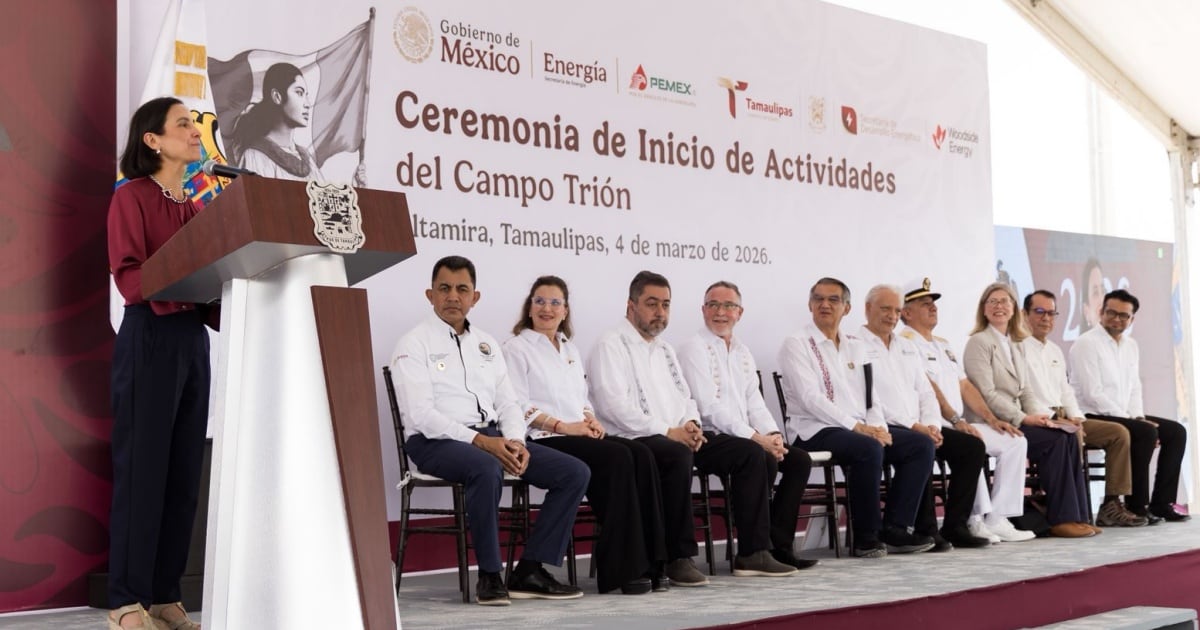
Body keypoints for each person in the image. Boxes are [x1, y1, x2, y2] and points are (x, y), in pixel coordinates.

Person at [391, 256, 589, 605]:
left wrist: (514, 440)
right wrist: (483, 442)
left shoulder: (486, 344)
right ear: (430, 294)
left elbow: (508, 402)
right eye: (445, 289)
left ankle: (529, 570)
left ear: (475, 297)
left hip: (492, 435)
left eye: (462, 289)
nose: (453, 296)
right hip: (434, 441)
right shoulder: (413, 343)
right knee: (486, 466)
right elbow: (422, 415)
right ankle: (489, 575)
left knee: (573, 472)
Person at [588, 271, 797, 585]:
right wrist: (670, 431)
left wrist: (691, 424)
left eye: (666, 305)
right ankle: (678, 556)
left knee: (752, 454)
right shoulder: (611, 344)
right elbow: (612, 406)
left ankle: (754, 551)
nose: (660, 312)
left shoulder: (664, 349)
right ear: (631, 306)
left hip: (676, 434)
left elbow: (685, 397)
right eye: (652, 304)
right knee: (676, 454)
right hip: (633, 437)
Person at [107, 97, 210, 630]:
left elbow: (207, 283)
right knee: (142, 473)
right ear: (153, 139)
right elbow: (129, 277)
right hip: (150, 336)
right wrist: (193, 282)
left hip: (192, 340)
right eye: (184, 124)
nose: (196, 132)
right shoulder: (132, 198)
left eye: (194, 124)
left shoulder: (194, 206)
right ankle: (126, 601)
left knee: (183, 474)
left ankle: (166, 594)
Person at [503, 275, 666, 595]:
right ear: (529, 307)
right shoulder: (516, 348)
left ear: (565, 311)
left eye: (554, 303)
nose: (546, 309)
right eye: (540, 301)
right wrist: (563, 426)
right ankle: (622, 569)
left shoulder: (569, 349)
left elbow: (581, 398)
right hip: (543, 438)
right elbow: (516, 404)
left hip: (576, 433)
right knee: (617, 457)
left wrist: (590, 419)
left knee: (641, 454)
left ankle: (653, 561)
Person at [777, 277, 935, 558]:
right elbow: (810, 400)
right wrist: (859, 428)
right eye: (819, 299)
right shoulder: (797, 344)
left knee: (920, 445)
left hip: (858, 428)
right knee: (867, 448)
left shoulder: (854, 345)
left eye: (833, 300)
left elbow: (871, 397)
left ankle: (897, 527)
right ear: (810, 305)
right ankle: (866, 536)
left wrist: (879, 427)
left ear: (847, 308)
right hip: (815, 429)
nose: (825, 305)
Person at [677, 281, 818, 570]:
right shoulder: (694, 348)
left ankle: (778, 545)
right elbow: (708, 407)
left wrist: (773, 435)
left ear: (739, 313)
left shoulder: (742, 351)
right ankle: (751, 553)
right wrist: (756, 438)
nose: (720, 312)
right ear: (703, 310)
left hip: (743, 438)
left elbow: (754, 402)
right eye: (713, 305)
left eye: (728, 306)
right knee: (755, 455)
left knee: (798, 460)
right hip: (706, 438)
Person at [898, 279, 1034, 543]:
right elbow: (930, 388)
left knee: (1015, 440)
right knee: (972, 444)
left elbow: (965, 386)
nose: (932, 308)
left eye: (933, 303)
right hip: (931, 424)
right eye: (924, 304)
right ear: (906, 312)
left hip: (955, 422)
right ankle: (974, 519)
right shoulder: (905, 343)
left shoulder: (942, 343)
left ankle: (999, 518)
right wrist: (957, 419)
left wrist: (992, 419)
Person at [859, 285, 991, 551]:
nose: (891, 316)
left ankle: (955, 525)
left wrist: (931, 423)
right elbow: (869, 397)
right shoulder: (855, 346)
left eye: (896, 310)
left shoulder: (905, 346)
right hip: (882, 425)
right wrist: (916, 426)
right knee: (920, 445)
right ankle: (919, 528)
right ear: (867, 309)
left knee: (971, 447)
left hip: (920, 425)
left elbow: (925, 390)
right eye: (885, 309)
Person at [963, 282, 1095, 538]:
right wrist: (1025, 418)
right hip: (990, 422)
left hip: (1017, 419)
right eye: (993, 302)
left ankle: (1078, 514)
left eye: (1005, 301)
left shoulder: (1015, 344)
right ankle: (1061, 518)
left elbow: (1026, 392)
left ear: (1013, 309)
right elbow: (986, 393)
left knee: (1065, 434)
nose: (999, 306)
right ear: (984, 309)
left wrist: (1042, 417)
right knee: (1055, 441)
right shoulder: (979, 342)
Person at [1021, 290, 1145, 527]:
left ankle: (1110, 504)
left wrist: (1075, 417)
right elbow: (1026, 395)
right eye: (1039, 312)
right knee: (1092, 434)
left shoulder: (1054, 350)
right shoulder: (1019, 348)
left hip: (1068, 415)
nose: (1046, 318)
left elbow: (1066, 391)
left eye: (1051, 313)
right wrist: (1054, 418)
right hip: (1039, 418)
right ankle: (1065, 507)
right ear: (1025, 315)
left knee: (1121, 433)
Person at [1069, 289, 1190, 523]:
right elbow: (1093, 394)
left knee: (1176, 432)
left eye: (1123, 315)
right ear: (1100, 312)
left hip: (1123, 413)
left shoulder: (1130, 345)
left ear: (1131, 318)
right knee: (1145, 431)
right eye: (1111, 313)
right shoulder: (1086, 344)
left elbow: (1134, 387)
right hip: (1092, 414)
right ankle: (1136, 506)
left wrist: (1136, 415)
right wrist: (1133, 421)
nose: (1116, 319)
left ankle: (1162, 503)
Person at [229, 62, 326, 181]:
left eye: (306, 95)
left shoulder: (307, 160)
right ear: (277, 97)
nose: (308, 104)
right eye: (299, 93)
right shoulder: (255, 156)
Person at [1079, 258, 1105, 335]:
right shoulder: (1082, 346)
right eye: (1095, 293)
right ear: (1086, 311)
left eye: (1103, 291)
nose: (1102, 299)